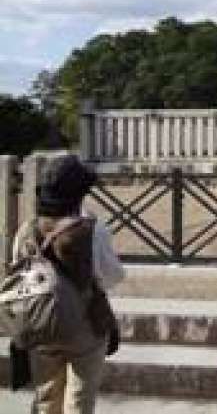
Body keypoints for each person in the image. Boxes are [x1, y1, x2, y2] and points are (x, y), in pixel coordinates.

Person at [12, 154, 125, 414]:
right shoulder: (92, 230)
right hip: (85, 325)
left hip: (40, 324)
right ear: (79, 195)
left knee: (47, 397)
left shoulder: (26, 229)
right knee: (79, 400)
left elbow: (17, 270)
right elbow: (113, 276)